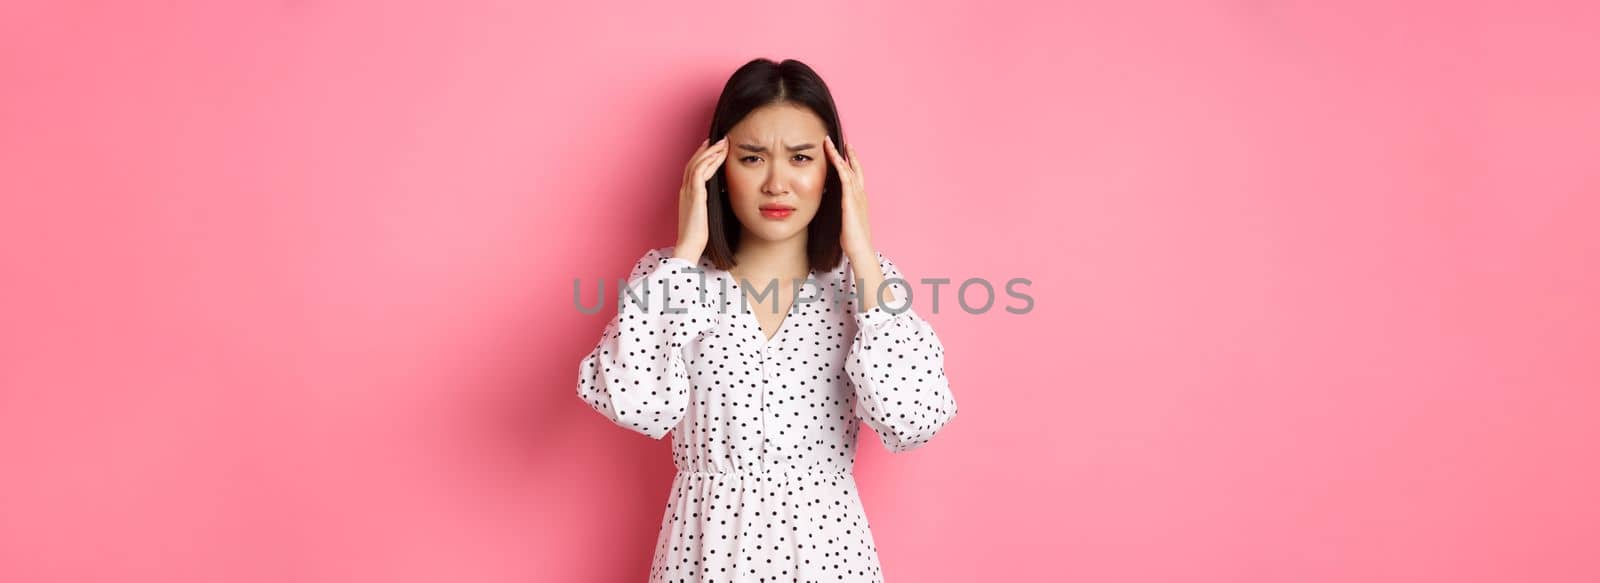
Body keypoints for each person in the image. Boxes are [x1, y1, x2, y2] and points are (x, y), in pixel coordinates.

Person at [576, 57, 959, 582]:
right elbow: (635, 403)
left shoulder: (865, 285)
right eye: (752, 158)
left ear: (833, 172)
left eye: (801, 158)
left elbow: (913, 420)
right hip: (705, 557)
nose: (777, 183)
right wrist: (686, 250)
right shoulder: (672, 277)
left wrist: (864, 252)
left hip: (830, 559)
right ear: (715, 166)